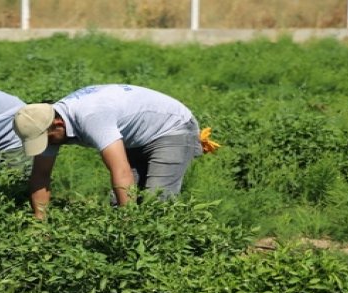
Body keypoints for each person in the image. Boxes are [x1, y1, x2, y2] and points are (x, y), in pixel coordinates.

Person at [13, 84, 214, 219]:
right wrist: (40, 225)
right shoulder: (47, 124)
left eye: (45, 139)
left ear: (57, 124)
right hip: (136, 134)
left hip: (172, 127)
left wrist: (128, 225)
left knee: (157, 203)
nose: (46, 145)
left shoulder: (91, 117)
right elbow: (41, 175)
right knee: (118, 205)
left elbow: (120, 171)